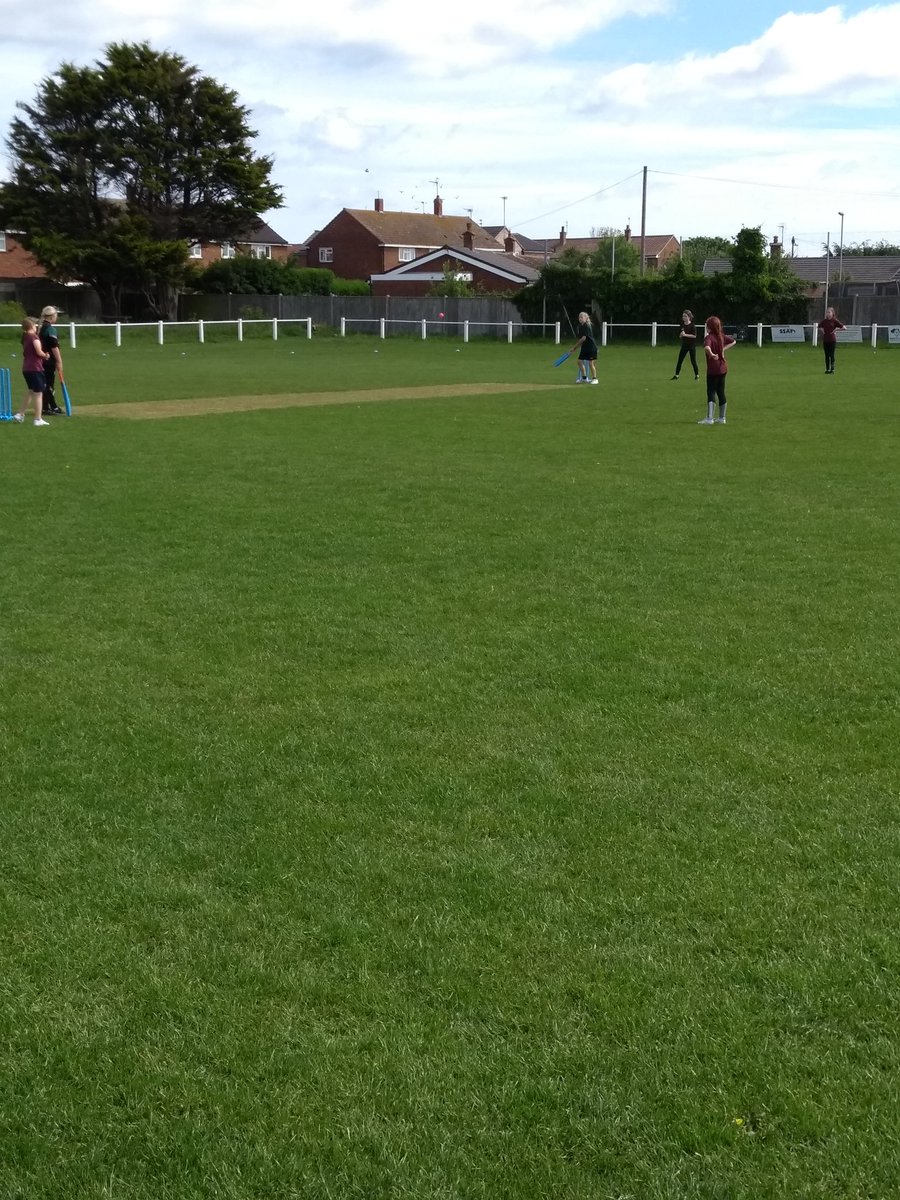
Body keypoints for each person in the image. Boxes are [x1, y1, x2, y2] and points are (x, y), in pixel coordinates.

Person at [698, 315, 735, 425]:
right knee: (721, 392)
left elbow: (706, 347)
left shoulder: (709, 338)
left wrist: (712, 354)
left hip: (713, 370)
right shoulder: (721, 336)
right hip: (723, 368)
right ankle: (722, 418)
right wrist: (723, 349)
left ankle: (709, 418)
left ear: (709, 327)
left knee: (711, 391)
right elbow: (733, 341)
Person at [13, 318, 50, 426]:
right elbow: (39, 352)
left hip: (26, 368)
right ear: (32, 325)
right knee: (38, 393)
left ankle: (20, 414)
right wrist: (45, 355)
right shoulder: (34, 337)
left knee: (31, 391)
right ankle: (38, 419)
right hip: (35, 368)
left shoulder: (25, 337)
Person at [39, 305, 65, 414]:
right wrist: (59, 361)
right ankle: (51, 406)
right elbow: (54, 346)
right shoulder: (50, 329)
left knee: (45, 384)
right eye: (56, 315)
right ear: (51, 316)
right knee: (49, 384)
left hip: (41, 360)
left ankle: (46, 407)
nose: (57, 317)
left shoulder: (41, 328)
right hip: (49, 361)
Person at [570, 311, 599, 384]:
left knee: (590, 363)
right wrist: (575, 348)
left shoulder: (586, 326)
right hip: (585, 347)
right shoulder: (580, 327)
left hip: (591, 347)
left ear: (586, 318)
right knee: (579, 361)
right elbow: (581, 340)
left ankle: (595, 379)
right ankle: (584, 378)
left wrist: (574, 347)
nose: (580, 318)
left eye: (582, 317)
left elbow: (583, 339)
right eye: (579, 317)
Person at [671, 309, 699, 380]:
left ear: (689, 317)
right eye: (683, 316)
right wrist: (681, 335)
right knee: (680, 360)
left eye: (685, 316)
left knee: (693, 361)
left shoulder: (692, 326)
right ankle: (676, 375)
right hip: (684, 346)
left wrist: (685, 335)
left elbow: (694, 336)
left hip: (691, 346)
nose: (684, 317)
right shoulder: (682, 325)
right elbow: (680, 336)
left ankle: (697, 375)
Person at [817, 307, 845, 374]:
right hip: (825, 340)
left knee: (831, 355)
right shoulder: (824, 321)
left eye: (829, 312)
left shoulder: (834, 321)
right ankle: (827, 369)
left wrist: (836, 330)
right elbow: (819, 326)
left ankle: (832, 369)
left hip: (832, 340)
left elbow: (844, 328)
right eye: (827, 312)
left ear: (832, 313)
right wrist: (822, 330)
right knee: (826, 355)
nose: (828, 314)